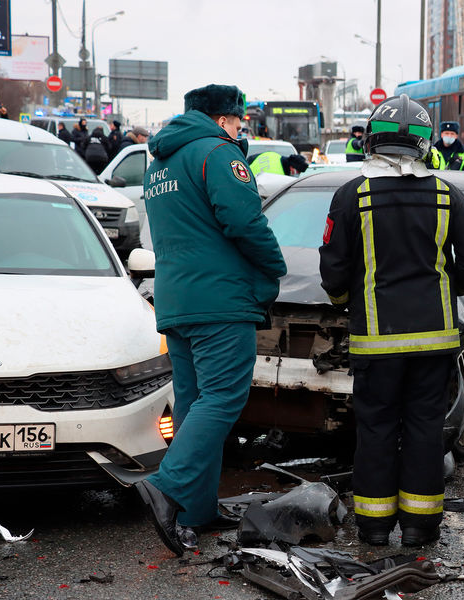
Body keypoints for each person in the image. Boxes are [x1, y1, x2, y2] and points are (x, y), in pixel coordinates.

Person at [319, 94, 464, 547]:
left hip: (375, 345)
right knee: (424, 429)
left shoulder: (350, 195)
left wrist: (347, 298)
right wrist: (442, 287)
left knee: (376, 429)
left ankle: (374, 528)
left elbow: (333, 274)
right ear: (424, 143)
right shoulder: (445, 194)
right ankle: (419, 528)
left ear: (371, 140)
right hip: (435, 343)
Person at [133, 83, 287, 557]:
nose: (241, 127)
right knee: (222, 398)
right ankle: (168, 486)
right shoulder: (218, 154)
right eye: (238, 120)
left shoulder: (158, 161)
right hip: (220, 300)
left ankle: (197, 510)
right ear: (223, 119)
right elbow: (245, 221)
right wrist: (276, 265)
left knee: (194, 401)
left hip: (177, 298)